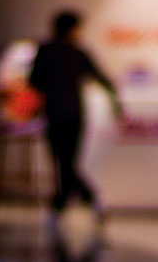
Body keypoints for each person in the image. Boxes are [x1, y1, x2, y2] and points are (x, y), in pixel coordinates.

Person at [29, 11, 121, 214]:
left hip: (53, 112)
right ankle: (83, 196)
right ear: (72, 29)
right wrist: (116, 100)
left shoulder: (45, 51)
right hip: (73, 113)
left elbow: (33, 80)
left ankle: (63, 198)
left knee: (60, 158)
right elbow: (101, 77)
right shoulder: (77, 52)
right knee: (68, 159)